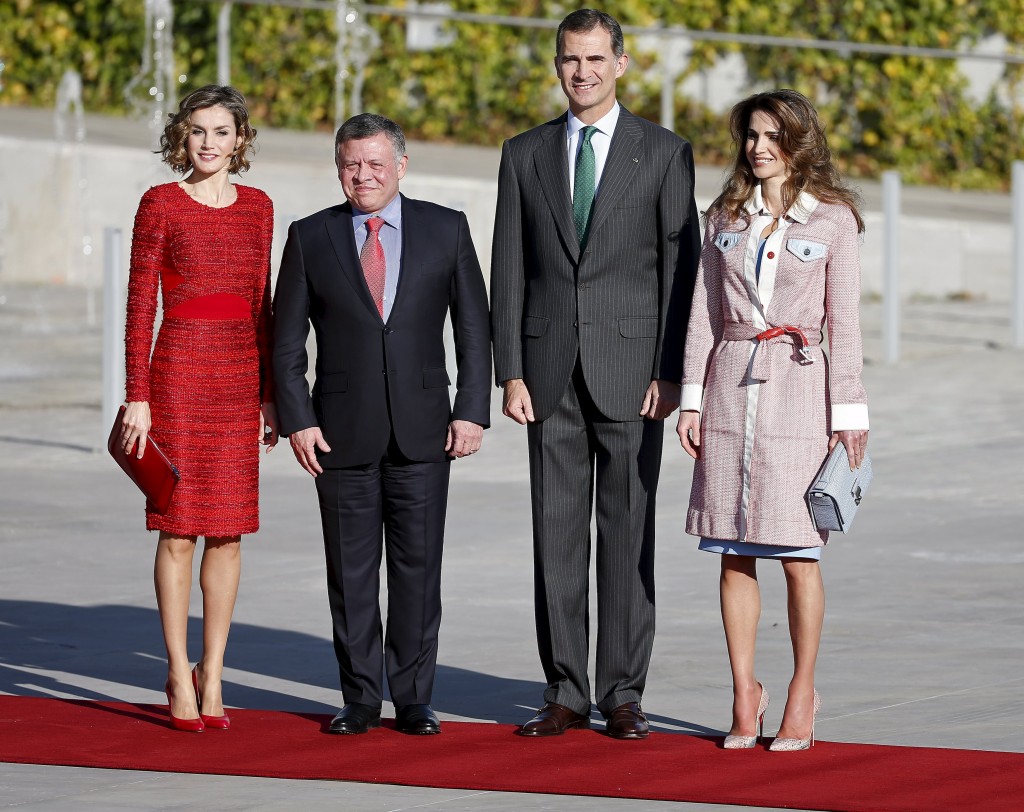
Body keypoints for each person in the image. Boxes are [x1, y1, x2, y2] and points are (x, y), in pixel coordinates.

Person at [490, 9, 700, 739]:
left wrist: (676, 373)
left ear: (621, 62)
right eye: (569, 60)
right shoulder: (524, 153)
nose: (581, 72)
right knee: (556, 535)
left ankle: (622, 692)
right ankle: (565, 690)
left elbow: (683, 272)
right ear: (557, 64)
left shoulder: (665, 153)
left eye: (593, 59)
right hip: (547, 373)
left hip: (633, 373)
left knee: (626, 532)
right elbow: (509, 266)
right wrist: (508, 369)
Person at [273, 113, 491, 736]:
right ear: (337, 167)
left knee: (419, 570)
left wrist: (471, 408)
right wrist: (297, 420)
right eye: (350, 165)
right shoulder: (310, 236)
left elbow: (474, 328)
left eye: (374, 164)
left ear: (400, 165)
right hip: (337, 432)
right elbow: (287, 343)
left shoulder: (445, 229)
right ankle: (361, 697)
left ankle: (415, 695)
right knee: (350, 572)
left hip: (426, 429)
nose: (362, 176)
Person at [676, 89, 869, 751]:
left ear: (799, 140)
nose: (758, 148)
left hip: (800, 394)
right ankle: (742, 694)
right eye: (751, 135)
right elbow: (703, 315)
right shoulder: (723, 215)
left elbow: (845, 326)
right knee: (732, 551)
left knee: (797, 555)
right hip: (732, 389)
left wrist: (850, 416)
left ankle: (800, 691)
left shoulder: (834, 221)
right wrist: (693, 401)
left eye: (771, 135)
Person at [119, 85, 278, 732]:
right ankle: (177, 669)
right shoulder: (160, 203)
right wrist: (138, 395)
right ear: (181, 138)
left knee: (229, 529)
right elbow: (139, 308)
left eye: (221, 131)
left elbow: (262, 303)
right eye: (197, 132)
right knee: (178, 529)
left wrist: (270, 394)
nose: (208, 143)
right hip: (179, 374)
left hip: (240, 377)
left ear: (240, 139)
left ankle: (214, 671)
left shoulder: (260, 208)